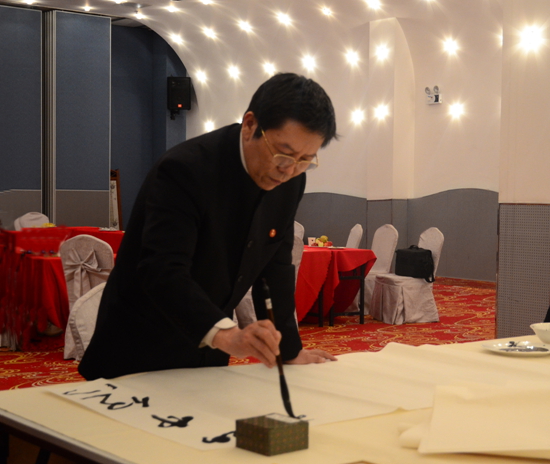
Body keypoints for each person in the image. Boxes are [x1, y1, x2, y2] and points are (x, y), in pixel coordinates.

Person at [79, 73, 338, 380]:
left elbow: (275, 266)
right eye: (283, 153)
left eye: (306, 159)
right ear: (250, 125)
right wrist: (227, 334)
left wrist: (288, 350)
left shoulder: (292, 182)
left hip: (208, 350)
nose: (289, 170)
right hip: (138, 347)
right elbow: (162, 270)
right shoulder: (185, 169)